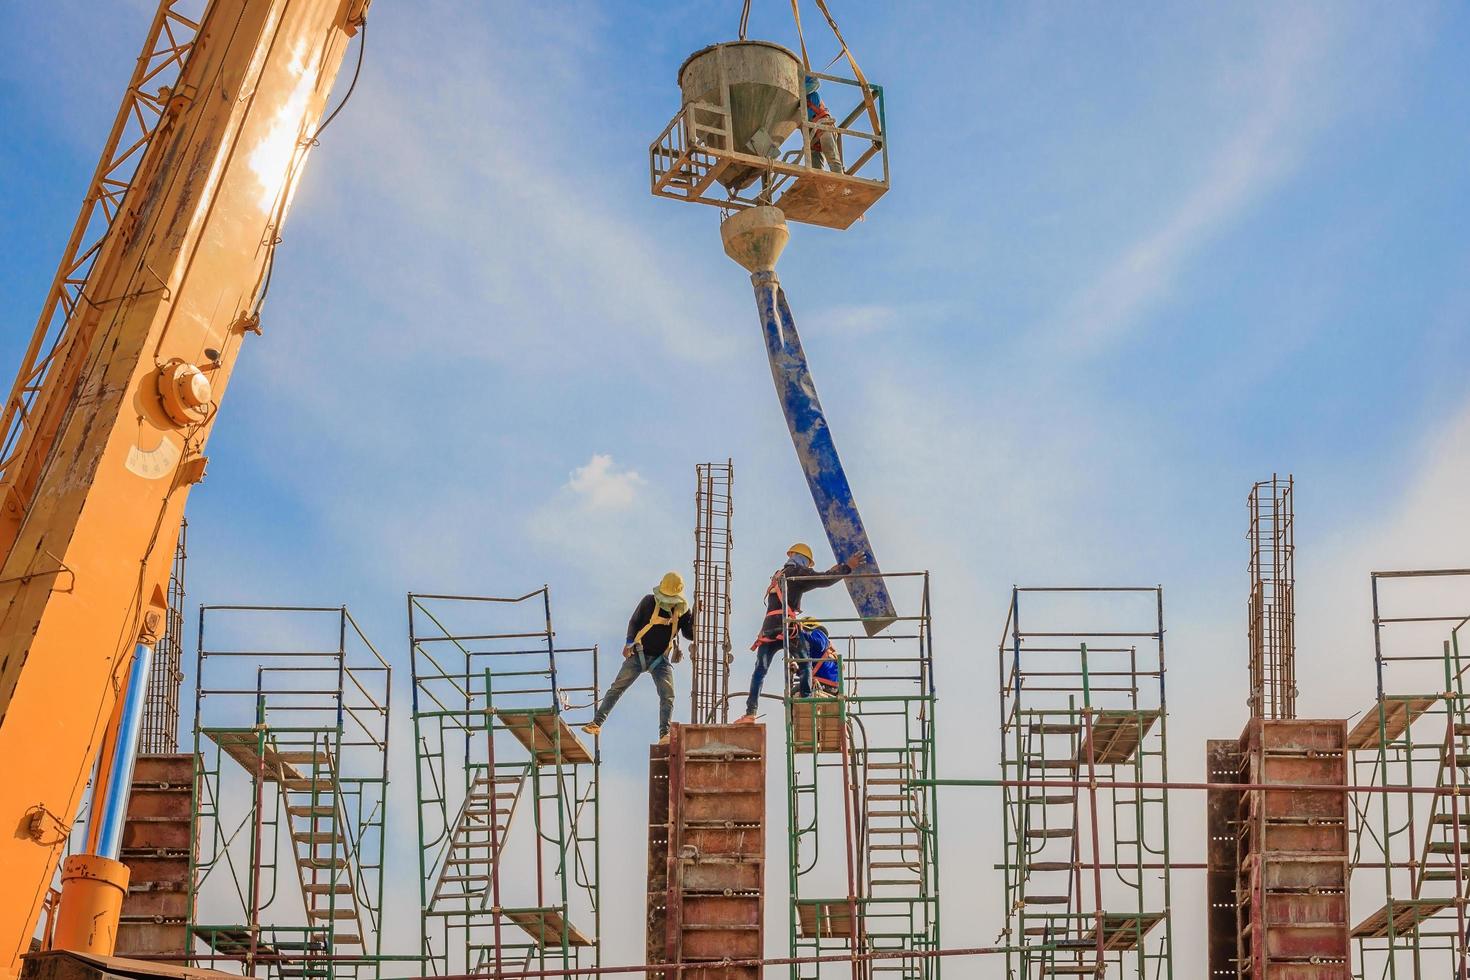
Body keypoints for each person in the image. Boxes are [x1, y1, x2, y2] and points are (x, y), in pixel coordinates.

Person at [736, 543, 861, 724]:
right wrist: (847, 567)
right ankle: (807, 700)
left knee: (760, 671)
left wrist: (832, 570)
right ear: (803, 560)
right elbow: (824, 580)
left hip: (768, 628)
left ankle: (750, 713)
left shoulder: (778, 575)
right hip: (788, 627)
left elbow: (819, 576)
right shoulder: (797, 573)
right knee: (805, 664)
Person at [582, 572, 693, 745]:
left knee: (668, 695)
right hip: (638, 653)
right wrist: (628, 643)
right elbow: (634, 622)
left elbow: (689, 634)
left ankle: (664, 734)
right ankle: (597, 723)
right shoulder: (649, 601)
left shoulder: (682, 611)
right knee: (617, 688)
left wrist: (698, 619)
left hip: (660, 660)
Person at [805, 76, 842, 173]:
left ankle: (839, 180)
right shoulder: (796, 103)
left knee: (832, 157)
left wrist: (797, 91)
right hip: (811, 130)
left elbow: (815, 82)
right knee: (816, 166)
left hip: (822, 123)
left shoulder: (810, 92)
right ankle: (820, 185)